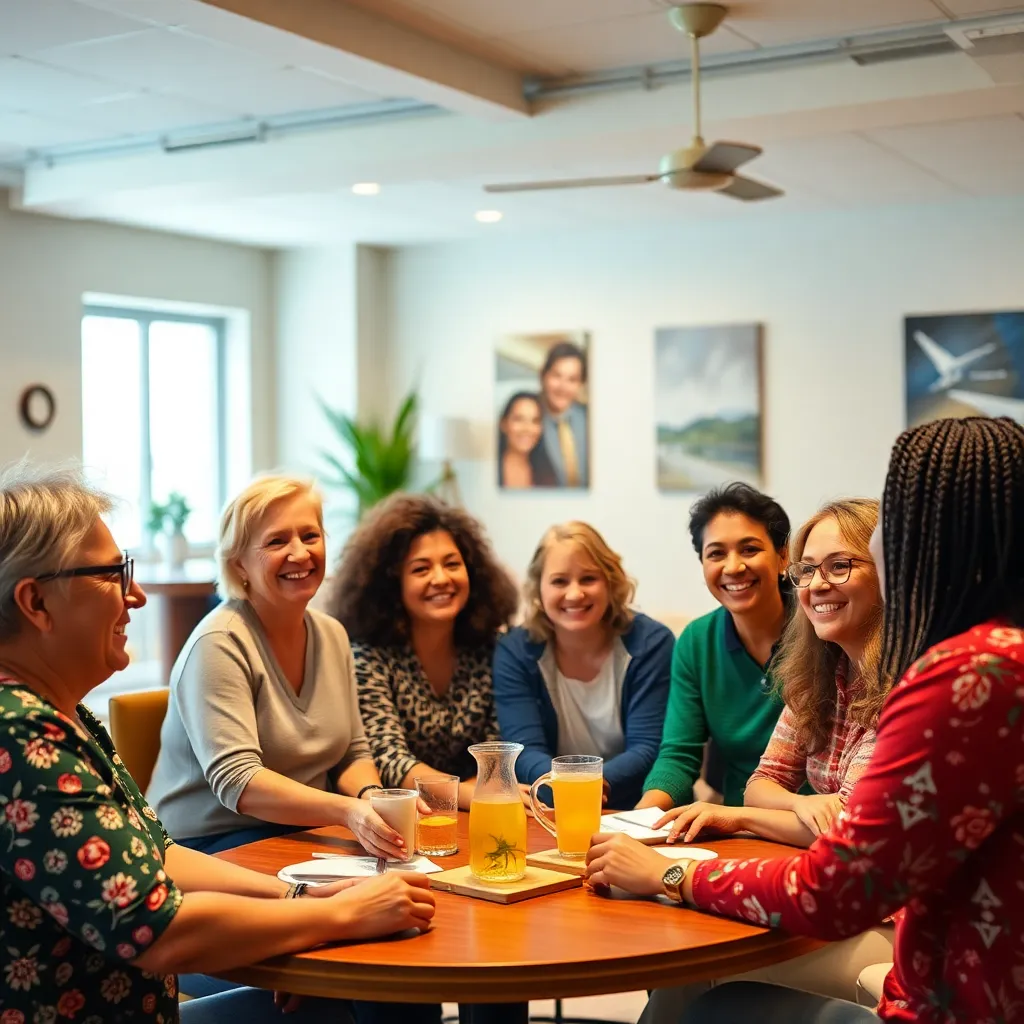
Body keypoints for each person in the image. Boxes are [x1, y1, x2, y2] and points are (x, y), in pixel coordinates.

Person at [585, 416, 1024, 1024]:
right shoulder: (997, 654)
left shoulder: (964, 675)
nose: (821, 582)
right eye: (811, 570)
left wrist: (671, 872)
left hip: (952, 997)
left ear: (929, 535)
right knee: (690, 982)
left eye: (887, 525)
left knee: (700, 985)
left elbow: (834, 890)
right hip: (963, 971)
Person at [0, 463, 436, 1024]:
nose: (135, 595)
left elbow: (159, 854)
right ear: (36, 604)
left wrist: (303, 903)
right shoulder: (20, 735)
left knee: (354, 993)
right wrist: (337, 917)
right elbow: (157, 929)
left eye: (310, 534)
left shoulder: (62, 714)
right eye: (113, 574)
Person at [640, 500, 894, 1020]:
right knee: (680, 969)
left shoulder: (905, 682)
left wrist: (736, 815)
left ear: (889, 573)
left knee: (695, 968)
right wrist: (804, 806)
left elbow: (852, 829)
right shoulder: (820, 667)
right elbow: (762, 778)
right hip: (818, 874)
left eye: (840, 565)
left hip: (890, 916)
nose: (818, 584)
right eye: (811, 569)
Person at [148, 475, 399, 859]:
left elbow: (352, 752)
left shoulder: (332, 634)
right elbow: (239, 783)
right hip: (204, 846)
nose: (299, 553)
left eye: (310, 536)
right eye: (276, 541)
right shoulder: (219, 643)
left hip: (300, 833)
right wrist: (347, 811)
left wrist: (374, 799)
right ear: (239, 565)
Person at [327, 493, 520, 810]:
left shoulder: (490, 648)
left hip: (473, 813)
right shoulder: (368, 656)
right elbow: (388, 757)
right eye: (420, 569)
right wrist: (468, 795)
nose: (441, 579)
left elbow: (496, 748)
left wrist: (477, 793)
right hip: (401, 817)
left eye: (452, 564)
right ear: (392, 584)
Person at [636, 483, 793, 813]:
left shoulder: (822, 628)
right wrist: (641, 818)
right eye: (716, 553)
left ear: (783, 556)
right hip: (739, 826)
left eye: (749, 549)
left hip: (820, 824)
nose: (733, 567)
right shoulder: (696, 641)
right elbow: (679, 756)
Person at [494, 521, 673, 809]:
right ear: (539, 589)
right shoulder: (515, 650)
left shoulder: (651, 644)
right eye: (559, 581)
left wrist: (588, 785)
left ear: (611, 581)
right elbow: (523, 750)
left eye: (588, 578)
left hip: (635, 808)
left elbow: (649, 746)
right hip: (550, 810)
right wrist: (569, 787)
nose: (575, 594)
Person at [538, 341, 589, 489]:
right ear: (543, 376)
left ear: (581, 384)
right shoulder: (531, 420)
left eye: (572, 379)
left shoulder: (591, 419)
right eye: (556, 376)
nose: (563, 387)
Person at [497, 392, 558, 489]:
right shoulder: (489, 471)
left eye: (535, 421)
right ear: (503, 424)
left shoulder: (547, 473)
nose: (527, 428)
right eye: (519, 419)